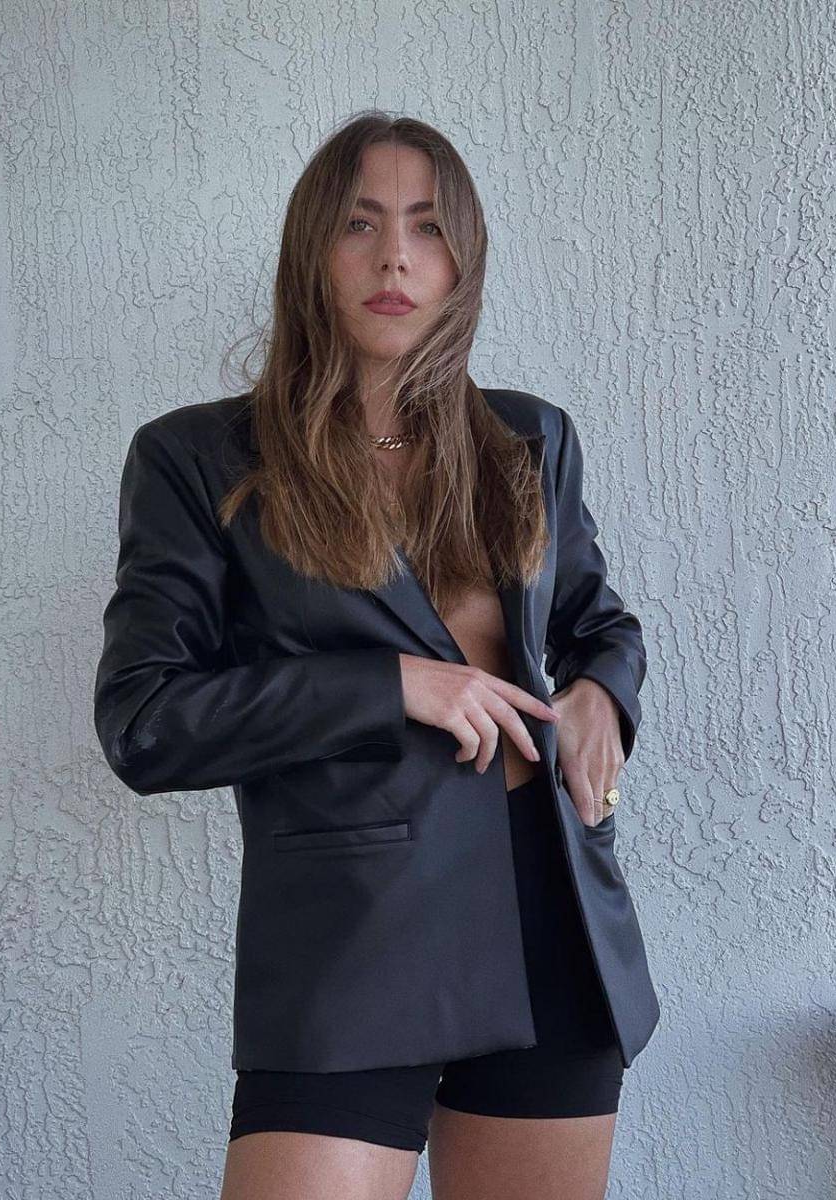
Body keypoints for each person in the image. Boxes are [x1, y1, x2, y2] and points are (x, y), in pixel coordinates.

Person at [94, 111, 660, 1200]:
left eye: (428, 227)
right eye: (361, 224)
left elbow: (600, 624)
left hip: (550, 915)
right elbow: (145, 721)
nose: (395, 257)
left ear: (463, 260)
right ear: (313, 250)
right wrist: (389, 686)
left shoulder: (529, 440)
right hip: (351, 945)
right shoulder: (197, 458)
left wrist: (603, 694)